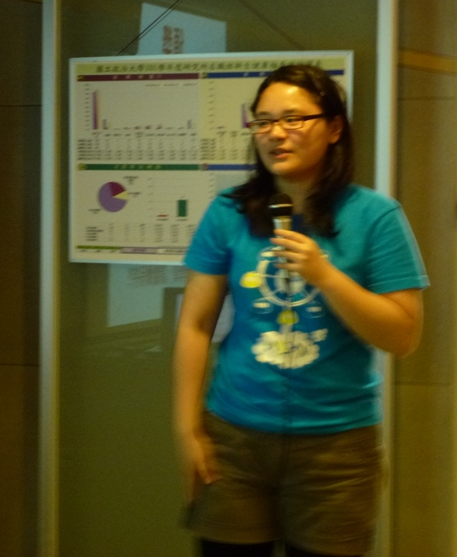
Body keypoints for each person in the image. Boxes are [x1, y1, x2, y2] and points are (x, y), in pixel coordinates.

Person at [173, 64, 427, 557]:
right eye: (263, 121)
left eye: (293, 119)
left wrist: (325, 275)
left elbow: (403, 336)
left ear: (333, 128)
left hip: (336, 448)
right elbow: (195, 325)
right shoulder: (228, 211)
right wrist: (187, 428)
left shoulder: (375, 216)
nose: (275, 134)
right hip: (235, 437)